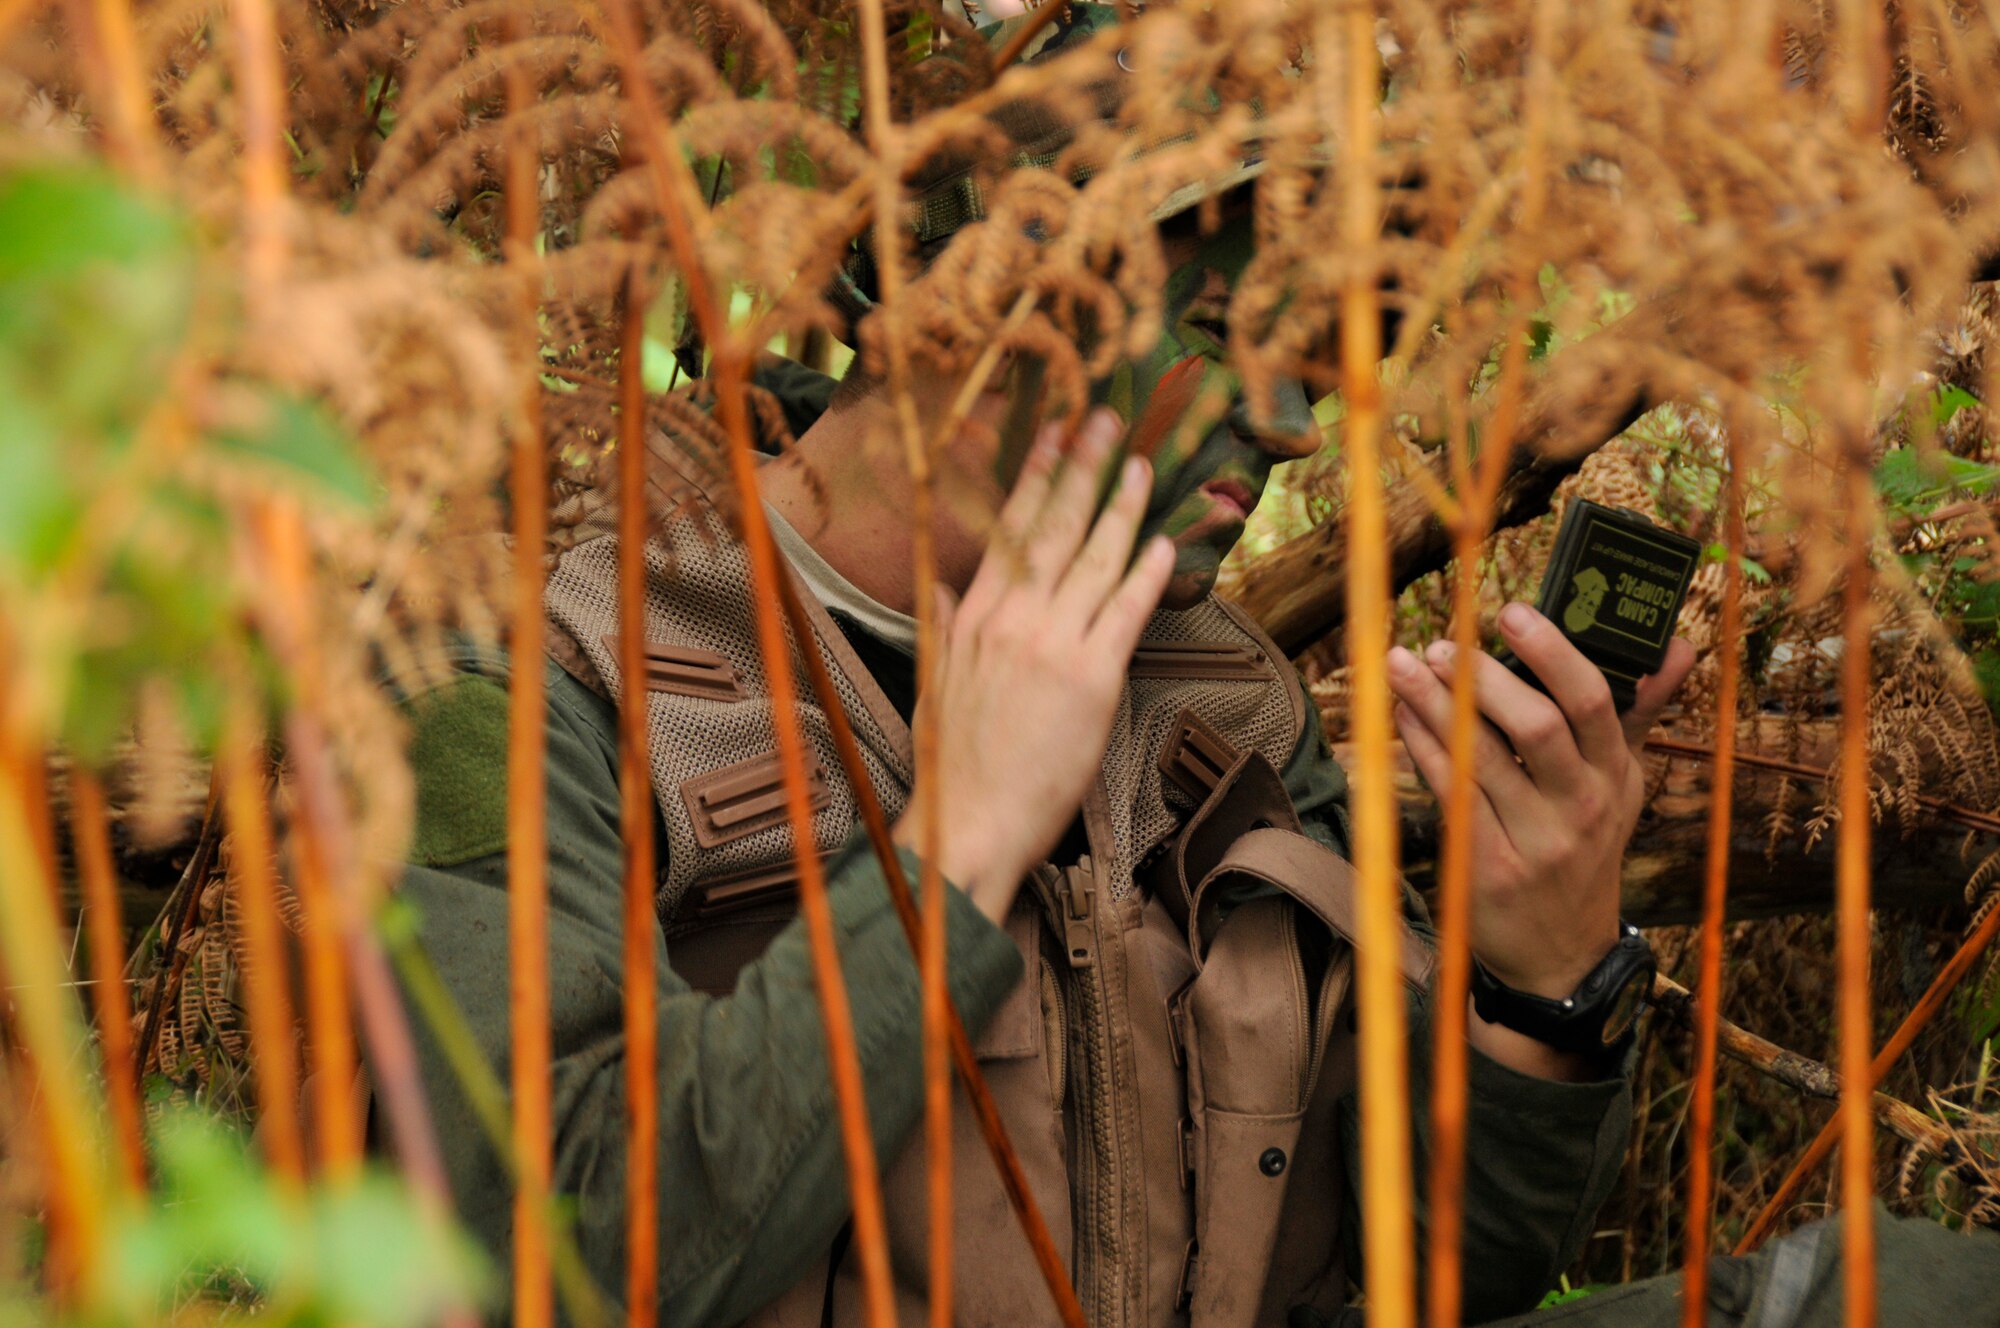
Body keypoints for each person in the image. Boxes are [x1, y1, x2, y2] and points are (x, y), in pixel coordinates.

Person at [388, 8, 2000, 1327]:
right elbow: (528, 1262)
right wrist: (953, 858)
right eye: (1230, 335)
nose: (1296, 423)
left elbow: (1429, 1278)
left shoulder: (1224, 704)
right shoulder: (542, 685)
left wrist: (1541, 986)